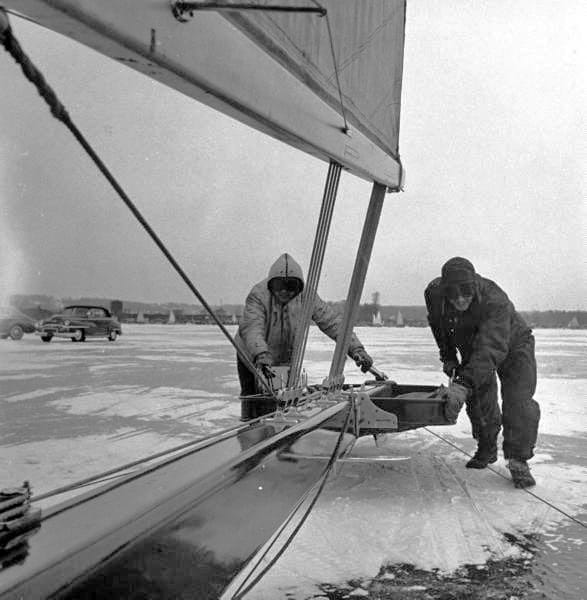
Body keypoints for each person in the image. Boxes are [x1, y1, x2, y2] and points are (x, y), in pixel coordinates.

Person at [425, 257, 540, 488]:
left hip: (514, 344)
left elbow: (491, 347)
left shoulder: (495, 300)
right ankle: (487, 448)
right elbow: (439, 326)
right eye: (453, 294)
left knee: (518, 401)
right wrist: (447, 355)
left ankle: (518, 460)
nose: (459, 299)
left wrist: (462, 383)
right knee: (478, 399)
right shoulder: (434, 294)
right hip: (472, 343)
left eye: (466, 292)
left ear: (475, 285)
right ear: (444, 290)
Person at [235, 253, 374, 420]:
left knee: (283, 397)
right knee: (253, 396)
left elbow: (331, 322)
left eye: (291, 286)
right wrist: (260, 353)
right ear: (271, 285)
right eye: (279, 286)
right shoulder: (258, 295)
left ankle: (282, 428)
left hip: (285, 354)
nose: (284, 292)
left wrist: (356, 349)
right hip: (251, 354)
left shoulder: (307, 296)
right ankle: (249, 427)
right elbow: (252, 327)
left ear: (299, 287)